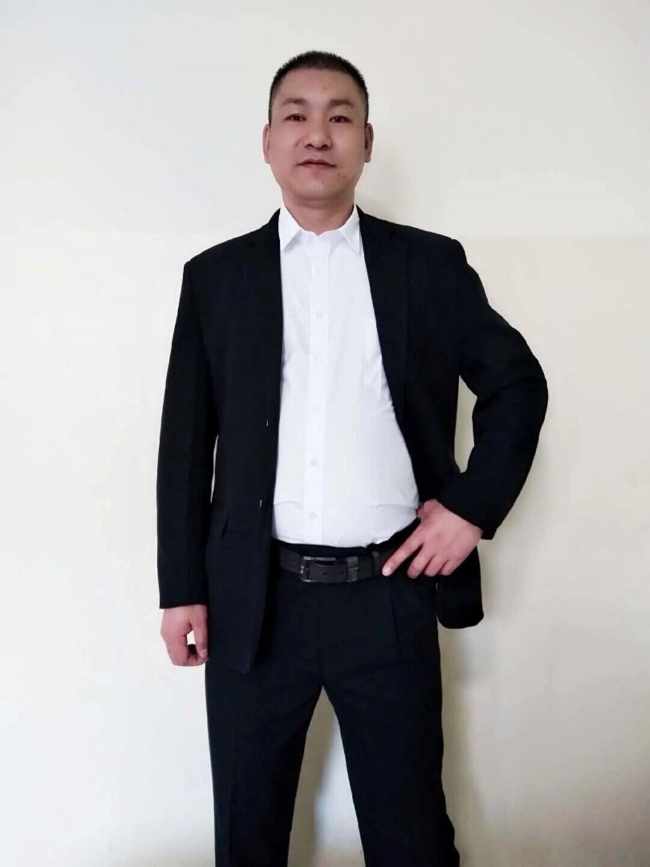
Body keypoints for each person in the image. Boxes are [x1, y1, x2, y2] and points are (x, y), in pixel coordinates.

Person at [156, 49, 548, 866]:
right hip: (254, 599)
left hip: (389, 594)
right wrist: (181, 588)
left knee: (412, 839)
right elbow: (186, 446)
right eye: (296, 115)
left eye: (340, 117)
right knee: (247, 836)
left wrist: (471, 507)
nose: (317, 134)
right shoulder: (216, 279)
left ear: (366, 142)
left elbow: (517, 384)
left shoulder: (429, 266)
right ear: (268, 141)